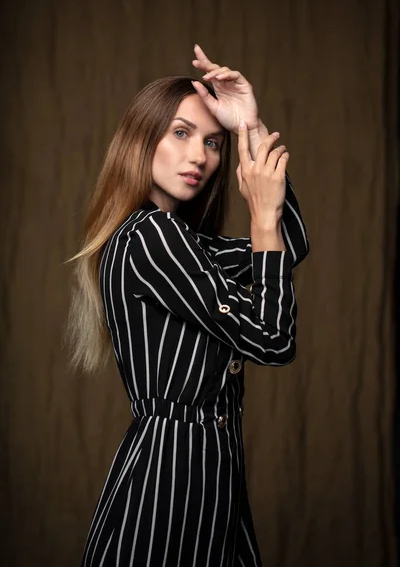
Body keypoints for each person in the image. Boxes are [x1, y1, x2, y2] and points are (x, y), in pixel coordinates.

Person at [67, 44, 309, 566]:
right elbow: (273, 339)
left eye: (214, 143)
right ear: (142, 137)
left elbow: (290, 249)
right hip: (173, 479)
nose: (200, 156)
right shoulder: (148, 238)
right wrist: (261, 220)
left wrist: (249, 128)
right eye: (180, 132)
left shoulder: (182, 243)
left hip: (211, 473)